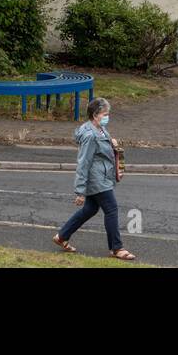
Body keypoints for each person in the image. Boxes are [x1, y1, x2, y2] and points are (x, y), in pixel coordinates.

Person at [53, 97, 136, 260]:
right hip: (97, 179)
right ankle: (116, 248)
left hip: (103, 176)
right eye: (105, 114)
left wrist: (112, 144)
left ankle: (62, 236)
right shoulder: (90, 135)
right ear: (95, 114)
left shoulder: (100, 129)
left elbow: (102, 150)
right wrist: (80, 191)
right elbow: (83, 163)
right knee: (111, 209)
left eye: (108, 113)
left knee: (90, 209)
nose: (107, 116)